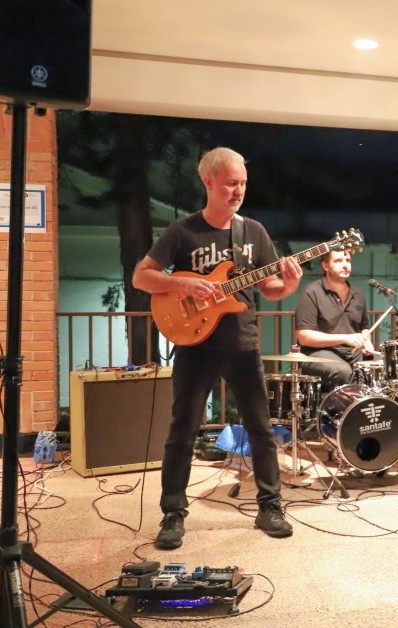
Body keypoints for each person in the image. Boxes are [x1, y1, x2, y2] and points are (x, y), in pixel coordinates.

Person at [132, 147, 303, 549]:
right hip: (196, 345)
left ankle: (270, 507)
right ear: (208, 181)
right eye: (230, 183)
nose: (238, 190)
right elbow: (142, 277)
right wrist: (183, 283)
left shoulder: (253, 232)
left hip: (243, 343)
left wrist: (291, 284)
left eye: (242, 183)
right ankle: (173, 515)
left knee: (261, 429)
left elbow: (270, 288)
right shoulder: (182, 231)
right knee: (182, 431)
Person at [295, 249, 375, 391]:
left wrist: (367, 341)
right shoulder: (312, 292)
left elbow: (364, 328)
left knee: (378, 366)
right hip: (317, 353)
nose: (345, 265)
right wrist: (345, 338)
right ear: (325, 266)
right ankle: (347, 404)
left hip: (352, 352)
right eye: (338, 261)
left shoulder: (358, 294)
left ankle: (369, 404)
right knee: (342, 371)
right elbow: (304, 336)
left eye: (348, 261)